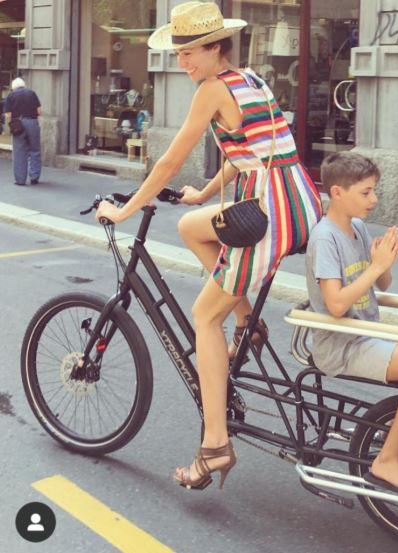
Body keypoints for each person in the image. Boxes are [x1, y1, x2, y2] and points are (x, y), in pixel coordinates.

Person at [95, 1, 322, 490]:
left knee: (203, 317)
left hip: (270, 212)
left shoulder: (211, 90)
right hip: (297, 198)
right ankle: (248, 321)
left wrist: (125, 209)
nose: (184, 61)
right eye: (179, 53)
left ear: (216, 47)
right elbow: (253, 152)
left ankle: (215, 444)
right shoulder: (250, 80)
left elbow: (168, 162)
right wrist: (202, 193)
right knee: (192, 226)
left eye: (191, 51)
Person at [305, 151, 398, 498]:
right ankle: (388, 457)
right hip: (342, 345)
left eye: (374, 191)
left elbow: (381, 285)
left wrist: (384, 260)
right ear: (337, 193)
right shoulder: (325, 237)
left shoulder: (356, 227)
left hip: (367, 334)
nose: (375, 199)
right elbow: (337, 304)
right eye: (366, 192)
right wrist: (374, 267)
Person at [3, 77, 42, 186]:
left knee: (19, 152)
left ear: (13, 87)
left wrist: (11, 124)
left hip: (18, 124)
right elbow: (39, 111)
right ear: (23, 85)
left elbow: (8, 115)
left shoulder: (11, 95)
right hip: (32, 122)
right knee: (35, 150)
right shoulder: (32, 93)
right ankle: (34, 177)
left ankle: (20, 180)